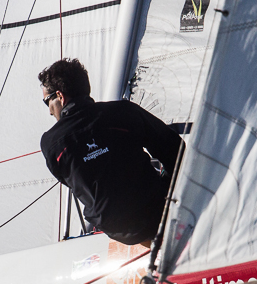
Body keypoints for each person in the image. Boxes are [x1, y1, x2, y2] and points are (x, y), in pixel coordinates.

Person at [38, 58, 182, 246]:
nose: (50, 112)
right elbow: (175, 149)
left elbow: (71, 181)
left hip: (118, 228)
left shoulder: (50, 143)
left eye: (47, 102)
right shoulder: (123, 111)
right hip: (157, 211)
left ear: (60, 96)